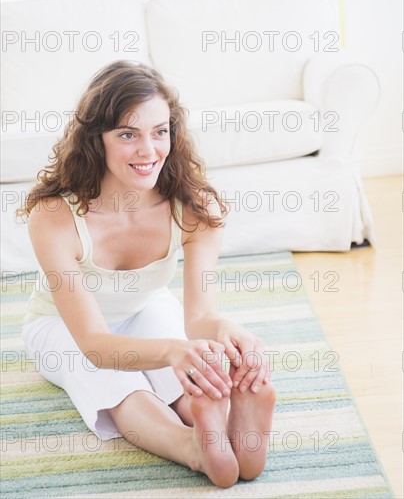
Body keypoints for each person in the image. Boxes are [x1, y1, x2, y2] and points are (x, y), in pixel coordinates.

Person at [18, 60, 276, 488]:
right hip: (63, 328)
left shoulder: (194, 210)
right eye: (127, 134)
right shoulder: (55, 217)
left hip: (144, 306)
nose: (148, 150)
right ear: (95, 140)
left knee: (193, 351)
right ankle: (190, 446)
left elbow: (200, 319)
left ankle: (221, 429)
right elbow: (97, 345)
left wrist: (228, 330)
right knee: (110, 374)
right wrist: (175, 352)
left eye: (159, 132)